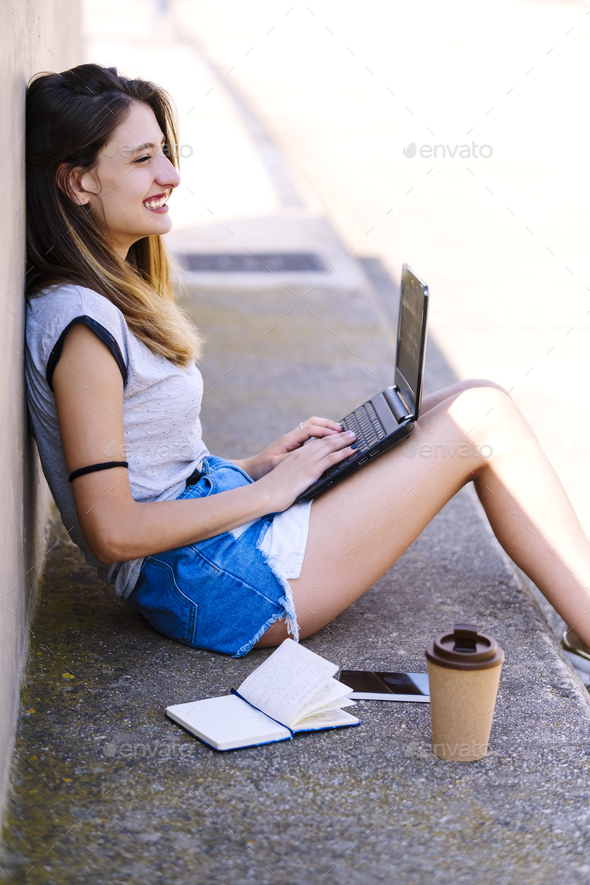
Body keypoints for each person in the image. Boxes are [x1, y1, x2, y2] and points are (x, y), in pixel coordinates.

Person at [25, 63, 590, 667]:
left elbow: (156, 473)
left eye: (165, 152)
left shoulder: (104, 298)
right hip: (219, 581)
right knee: (486, 420)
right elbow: (112, 531)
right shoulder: (82, 328)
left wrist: (258, 465)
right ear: (78, 182)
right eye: (142, 160)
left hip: (212, 545)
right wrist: (270, 493)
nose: (171, 174)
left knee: (470, 395)